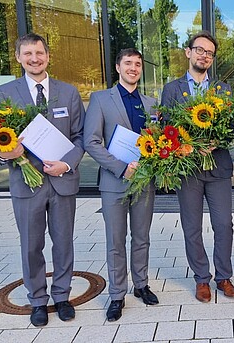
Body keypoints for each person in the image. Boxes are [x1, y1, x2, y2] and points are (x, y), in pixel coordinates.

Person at [0, 33, 85, 327]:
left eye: (40, 53)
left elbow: (80, 138)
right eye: (28, 53)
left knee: (63, 243)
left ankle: (61, 296)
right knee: (31, 245)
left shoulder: (68, 93)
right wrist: (8, 153)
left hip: (62, 181)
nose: (35, 58)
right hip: (25, 183)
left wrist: (67, 163)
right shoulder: (5, 94)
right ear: (18, 57)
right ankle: (37, 300)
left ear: (48, 56)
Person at [160, 30, 234, 303]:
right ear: (188, 52)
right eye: (200, 50)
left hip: (218, 167)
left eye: (209, 53)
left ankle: (224, 277)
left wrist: (217, 140)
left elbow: (233, 127)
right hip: (188, 168)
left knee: (223, 224)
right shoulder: (171, 89)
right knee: (192, 226)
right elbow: (166, 128)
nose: (204, 55)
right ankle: (201, 278)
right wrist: (187, 144)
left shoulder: (223, 89)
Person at [84, 48, 159, 322]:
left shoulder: (151, 104)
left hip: (144, 182)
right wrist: (120, 167)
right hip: (114, 182)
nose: (133, 68)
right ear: (118, 67)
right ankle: (117, 294)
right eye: (128, 63)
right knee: (115, 241)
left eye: (138, 64)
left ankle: (141, 285)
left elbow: (158, 143)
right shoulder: (101, 99)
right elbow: (90, 141)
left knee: (142, 238)